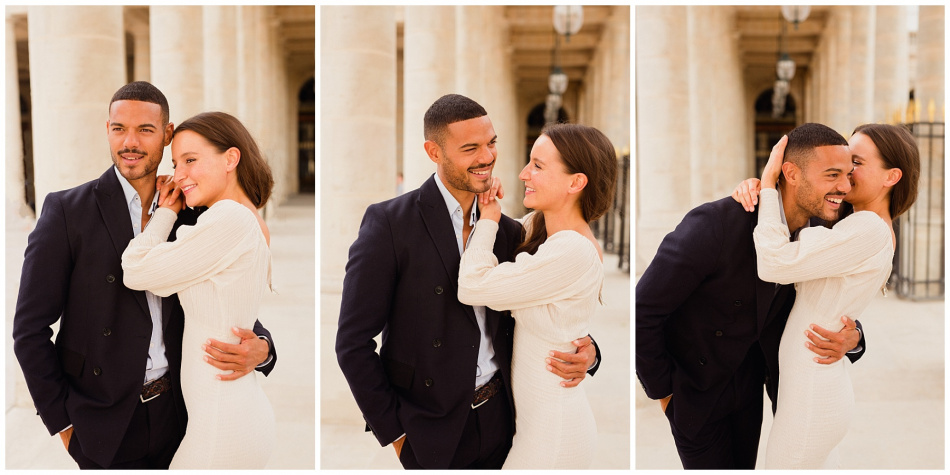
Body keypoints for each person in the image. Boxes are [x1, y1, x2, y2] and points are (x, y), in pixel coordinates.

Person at [12, 82, 277, 469]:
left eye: (145, 130)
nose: (129, 142)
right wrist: (64, 424)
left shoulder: (196, 211)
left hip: (182, 414)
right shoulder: (68, 211)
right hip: (104, 422)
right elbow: (29, 329)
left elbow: (225, 297)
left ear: (166, 134)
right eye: (119, 129)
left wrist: (264, 348)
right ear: (107, 130)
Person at [335, 94, 600, 469]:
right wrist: (395, 433)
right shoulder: (390, 224)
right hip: (429, 426)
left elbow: (548, 302)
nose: (487, 157)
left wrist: (589, 353)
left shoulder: (509, 231)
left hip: (505, 420)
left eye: (491, 143)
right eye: (470, 148)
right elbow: (352, 342)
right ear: (434, 151)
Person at [635, 123, 866, 469]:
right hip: (696, 394)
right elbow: (645, 308)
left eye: (848, 175)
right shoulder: (715, 224)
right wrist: (663, 391)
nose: (845, 187)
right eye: (832, 174)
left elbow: (830, 300)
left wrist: (856, 337)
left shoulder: (821, 233)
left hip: (754, 394)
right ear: (789, 173)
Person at [732, 123, 919, 468]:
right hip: (808, 384)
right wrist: (757, 190)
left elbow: (774, 263)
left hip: (813, 390)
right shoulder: (855, 225)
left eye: (857, 164)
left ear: (891, 177)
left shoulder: (870, 230)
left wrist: (771, 183)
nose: (847, 174)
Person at [121, 111, 277, 469]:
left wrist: (165, 212)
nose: (178, 175)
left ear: (231, 158)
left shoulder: (230, 219)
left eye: (191, 160)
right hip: (227, 413)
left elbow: (135, 269)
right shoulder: (245, 218)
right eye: (176, 163)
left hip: (224, 423)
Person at [456, 123, 617, 469]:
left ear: (575, 182)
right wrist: (487, 198)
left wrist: (488, 219)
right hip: (530, 426)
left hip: (554, 435)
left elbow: (473, 284)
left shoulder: (573, 250)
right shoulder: (537, 228)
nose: (522, 173)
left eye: (538, 166)